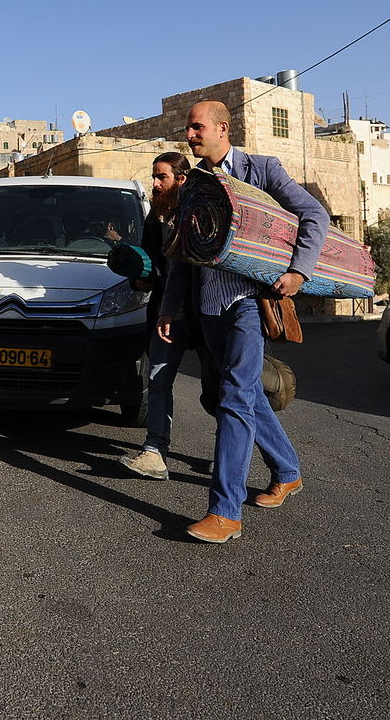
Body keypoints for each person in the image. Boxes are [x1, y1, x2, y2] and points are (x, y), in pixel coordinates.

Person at [157, 100, 327, 543]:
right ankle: (288, 471)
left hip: (250, 303)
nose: (190, 136)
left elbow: (314, 215)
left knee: (233, 396)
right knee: (247, 393)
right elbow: (182, 251)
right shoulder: (192, 183)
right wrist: (169, 308)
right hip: (209, 308)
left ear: (222, 128)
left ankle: (225, 511)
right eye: (188, 129)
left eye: (196, 128)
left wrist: (298, 271)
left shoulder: (263, 169)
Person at [119, 151, 220, 480]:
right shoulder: (154, 217)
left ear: (182, 179)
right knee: (158, 382)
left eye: (161, 177)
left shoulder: (202, 212)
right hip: (166, 315)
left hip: (207, 315)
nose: (155, 183)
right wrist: (139, 274)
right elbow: (151, 262)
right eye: (154, 176)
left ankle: (227, 449)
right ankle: (155, 452)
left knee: (217, 387)